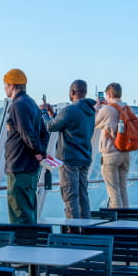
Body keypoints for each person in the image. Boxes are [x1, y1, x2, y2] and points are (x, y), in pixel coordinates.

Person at [40, 80, 96, 220]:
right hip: (84, 158)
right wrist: (54, 115)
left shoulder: (71, 110)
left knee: (70, 197)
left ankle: (74, 234)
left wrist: (43, 112)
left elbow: (50, 127)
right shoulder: (90, 111)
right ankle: (87, 233)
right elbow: (68, 125)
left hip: (69, 160)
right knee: (83, 196)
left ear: (72, 92)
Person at [3, 68, 49, 224]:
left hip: (19, 166)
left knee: (19, 215)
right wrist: (40, 152)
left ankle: (24, 246)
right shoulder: (31, 103)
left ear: (12, 85)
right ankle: (32, 245)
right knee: (28, 210)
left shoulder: (18, 105)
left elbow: (27, 134)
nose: (4, 88)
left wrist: (38, 150)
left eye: (5, 84)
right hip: (30, 166)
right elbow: (44, 133)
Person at [95, 82, 130, 208]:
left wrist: (97, 107)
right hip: (126, 154)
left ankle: (118, 226)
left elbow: (93, 123)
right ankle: (127, 222)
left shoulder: (106, 110)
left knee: (113, 192)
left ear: (109, 94)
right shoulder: (127, 108)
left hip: (110, 154)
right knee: (123, 190)